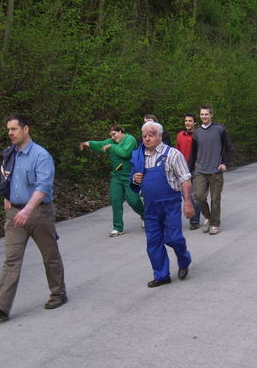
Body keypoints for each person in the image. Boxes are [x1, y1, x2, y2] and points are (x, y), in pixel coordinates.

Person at [0, 114, 67, 320]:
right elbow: (5, 177)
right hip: (14, 214)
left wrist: (27, 209)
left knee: (50, 255)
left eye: (14, 129)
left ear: (26, 129)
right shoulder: (9, 154)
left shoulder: (41, 155)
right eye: (8, 129)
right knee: (11, 259)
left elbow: (43, 186)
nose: (10, 133)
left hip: (38, 213)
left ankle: (58, 293)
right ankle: (0, 306)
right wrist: (6, 197)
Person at [130, 121, 194, 287]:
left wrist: (188, 202)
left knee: (174, 238)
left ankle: (184, 259)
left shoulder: (173, 154)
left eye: (151, 135)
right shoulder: (139, 156)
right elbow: (134, 179)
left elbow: (185, 179)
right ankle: (162, 275)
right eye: (144, 136)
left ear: (159, 136)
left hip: (170, 204)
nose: (147, 139)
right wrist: (135, 179)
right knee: (153, 242)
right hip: (150, 206)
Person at [80, 124, 144, 237]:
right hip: (117, 176)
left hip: (130, 176)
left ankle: (146, 216)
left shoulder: (130, 140)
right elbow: (99, 145)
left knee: (133, 200)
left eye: (114, 134)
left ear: (120, 131)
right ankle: (117, 227)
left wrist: (111, 147)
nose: (113, 137)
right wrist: (86, 143)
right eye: (111, 135)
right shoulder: (111, 141)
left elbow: (125, 153)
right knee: (115, 200)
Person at [189, 106, 234, 235]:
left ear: (211, 115)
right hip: (200, 170)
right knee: (199, 196)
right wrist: (189, 170)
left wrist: (225, 163)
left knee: (215, 199)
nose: (204, 116)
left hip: (216, 170)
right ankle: (208, 217)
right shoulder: (196, 133)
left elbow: (229, 148)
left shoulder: (219, 129)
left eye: (206, 114)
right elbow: (193, 153)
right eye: (202, 114)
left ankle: (215, 224)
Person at [176, 113, 202, 230]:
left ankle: (195, 221)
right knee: (186, 194)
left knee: (196, 195)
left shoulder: (199, 134)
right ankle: (192, 213)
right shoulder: (180, 135)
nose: (187, 123)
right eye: (186, 121)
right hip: (183, 167)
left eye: (190, 121)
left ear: (195, 123)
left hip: (197, 167)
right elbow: (177, 151)